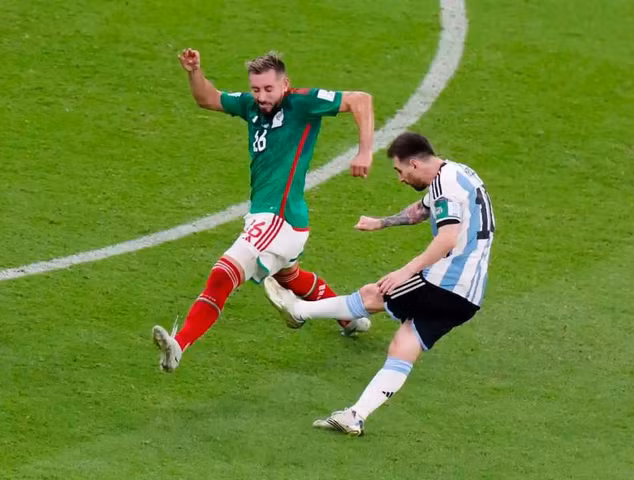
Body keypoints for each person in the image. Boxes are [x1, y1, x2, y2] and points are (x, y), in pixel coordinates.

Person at [151, 49, 375, 372]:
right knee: (291, 277)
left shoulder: (302, 103)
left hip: (278, 219)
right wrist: (194, 71)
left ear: (286, 84)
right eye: (256, 89)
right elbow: (208, 98)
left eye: (269, 89)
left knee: (222, 274)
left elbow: (361, 99)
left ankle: (179, 345)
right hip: (280, 219)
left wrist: (365, 151)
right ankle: (349, 317)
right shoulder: (251, 107)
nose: (262, 96)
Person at [264, 132, 495, 435]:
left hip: (446, 282)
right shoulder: (459, 174)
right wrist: (381, 222)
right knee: (404, 346)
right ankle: (355, 416)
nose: (400, 179)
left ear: (414, 163)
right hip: (468, 298)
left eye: (400, 171)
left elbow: (447, 237)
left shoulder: (444, 186)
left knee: (374, 294)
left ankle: (299, 310)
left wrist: (405, 272)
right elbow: (421, 211)